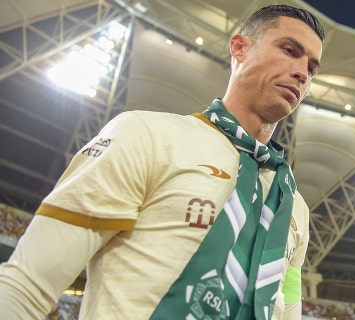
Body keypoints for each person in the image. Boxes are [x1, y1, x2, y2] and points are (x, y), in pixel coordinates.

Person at [0, 4, 324, 320]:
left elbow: (288, 306)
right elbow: (27, 285)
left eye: (311, 68)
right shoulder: (146, 135)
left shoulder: (293, 205)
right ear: (239, 47)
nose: (301, 73)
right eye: (289, 50)